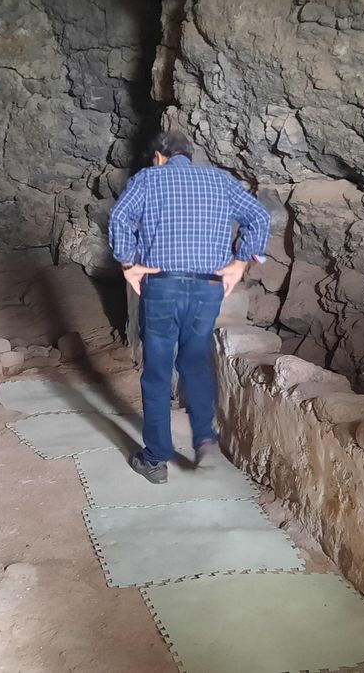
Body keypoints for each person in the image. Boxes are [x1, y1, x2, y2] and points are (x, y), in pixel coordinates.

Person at [108, 130, 272, 484]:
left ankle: (155, 460)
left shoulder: (148, 179)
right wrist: (240, 262)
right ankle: (205, 440)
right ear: (188, 154)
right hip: (207, 287)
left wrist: (127, 264)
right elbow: (260, 217)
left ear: (159, 157)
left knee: (157, 370)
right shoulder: (220, 181)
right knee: (194, 361)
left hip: (162, 285)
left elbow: (120, 218)